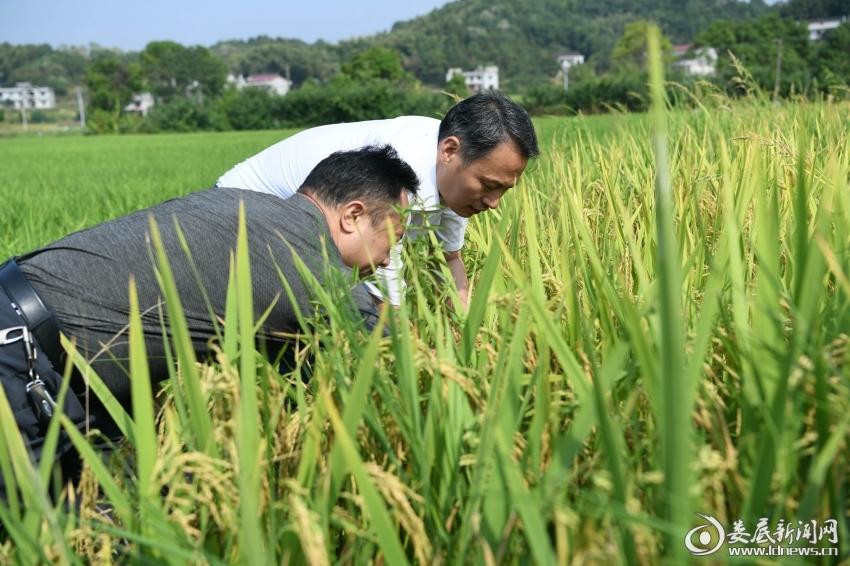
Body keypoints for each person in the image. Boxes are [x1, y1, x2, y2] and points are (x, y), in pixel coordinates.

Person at [0, 145, 417, 492]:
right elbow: (393, 350)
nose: (385, 262)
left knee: (131, 507)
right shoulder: (308, 260)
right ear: (353, 215)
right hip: (21, 362)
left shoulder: (244, 206)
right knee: (54, 531)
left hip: (41, 343)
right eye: (391, 240)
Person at [217, 91, 540, 307]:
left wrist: (468, 332)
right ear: (450, 151)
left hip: (301, 221)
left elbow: (450, 258)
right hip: (246, 211)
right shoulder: (401, 174)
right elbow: (384, 291)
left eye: (504, 190)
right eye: (488, 185)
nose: (494, 202)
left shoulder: (453, 172)